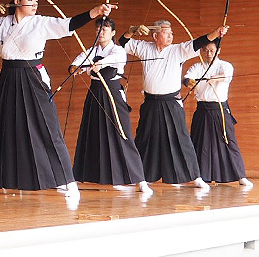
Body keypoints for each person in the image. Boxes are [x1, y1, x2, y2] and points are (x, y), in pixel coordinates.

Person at [0, 0, 112, 200]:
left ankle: (66, 180)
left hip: (33, 77)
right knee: (0, 126)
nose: (36, 4)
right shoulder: (2, 23)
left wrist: (96, 12)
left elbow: (69, 24)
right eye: (30, 0)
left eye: (37, 0)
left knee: (48, 127)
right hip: (8, 77)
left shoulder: (41, 23)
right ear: (17, 1)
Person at [118, 21, 228, 191]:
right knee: (145, 139)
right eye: (166, 33)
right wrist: (131, 30)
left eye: (171, 33)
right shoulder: (144, 47)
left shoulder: (178, 50)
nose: (171, 36)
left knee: (181, 139)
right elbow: (123, 43)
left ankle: (195, 176)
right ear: (155, 36)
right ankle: (140, 177)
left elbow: (199, 42)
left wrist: (216, 32)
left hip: (171, 103)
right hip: (151, 103)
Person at [68, 17, 150, 196]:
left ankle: (141, 180)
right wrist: (75, 68)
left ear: (113, 33)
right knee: (92, 133)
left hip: (112, 94)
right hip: (95, 94)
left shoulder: (118, 50)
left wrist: (100, 63)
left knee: (123, 134)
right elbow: (77, 62)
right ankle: (81, 176)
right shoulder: (91, 50)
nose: (101, 31)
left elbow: (113, 59)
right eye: (99, 28)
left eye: (105, 28)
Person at [183, 41, 251, 188]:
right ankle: (201, 176)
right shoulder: (197, 67)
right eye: (206, 50)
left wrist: (214, 79)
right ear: (201, 51)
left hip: (219, 108)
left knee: (229, 141)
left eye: (212, 50)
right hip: (202, 109)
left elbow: (226, 76)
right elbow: (187, 78)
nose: (209, 53)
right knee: (201, 144)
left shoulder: (225, 65)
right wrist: (190, 82)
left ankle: (241, 176)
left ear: (218, 50)